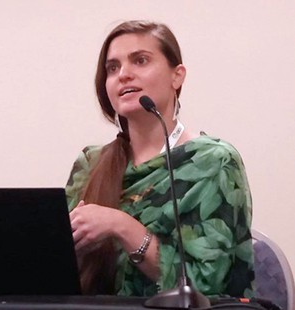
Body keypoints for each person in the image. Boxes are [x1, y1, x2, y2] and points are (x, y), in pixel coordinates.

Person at [66, 20, 254, 298]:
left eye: (140, 61)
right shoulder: (90, 164)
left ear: (176, 77)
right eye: (112, 68)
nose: (124, 74)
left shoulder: (214, 161)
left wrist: (121, 226)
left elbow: (203, 287)